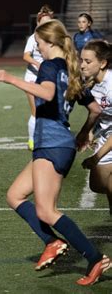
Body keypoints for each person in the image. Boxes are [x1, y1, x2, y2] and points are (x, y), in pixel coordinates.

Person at [0, 19, 109, 286]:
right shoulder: (70, 71)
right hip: (58, 143)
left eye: (39, 45)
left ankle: (95, 258)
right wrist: (83, 133)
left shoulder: (49, 66)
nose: (38, 50)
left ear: (50, 43)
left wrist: (11, 79)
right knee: (15, 195)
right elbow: (95, 109)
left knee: (46, 211)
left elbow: (46, 93)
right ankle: (52, 241)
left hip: (52, 144)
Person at [76, 39, 112, 215]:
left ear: (103, 63)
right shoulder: (93, 84)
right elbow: (98, 112)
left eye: (88, 61)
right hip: (106, 137)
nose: (82, 65)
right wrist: (90, 131)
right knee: (97, 185)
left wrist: (96, 157)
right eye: (81, 60)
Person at [22, 5, 54, 150]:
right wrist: (37, 64)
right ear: (38, 23)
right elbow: (25, 56)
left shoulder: (53, 39)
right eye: (43, 22)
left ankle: (49, 136)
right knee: (35, 111)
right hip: (32, 78)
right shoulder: (32, 39)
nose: (46, 24)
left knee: (50, 109)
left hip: (47, 79)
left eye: (48, 22)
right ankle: (32, 140)